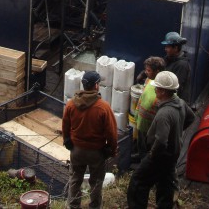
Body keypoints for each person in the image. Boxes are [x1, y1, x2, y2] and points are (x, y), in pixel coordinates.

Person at [127, 71, 195, 209]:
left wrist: (152, 155)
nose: (155, 90)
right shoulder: (180, 103)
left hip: (159, 156)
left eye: (156, 88)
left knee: (138, 181)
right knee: (166, 184)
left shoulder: (164, 113)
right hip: (172, 154)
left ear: (163, 91)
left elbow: (161, 141)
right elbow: (191, 117)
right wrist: (175, 133)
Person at [62, 70, 118, 209]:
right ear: (96, 86)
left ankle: (73, 206)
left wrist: (67, 141)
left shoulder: (71, 104)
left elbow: (65, 125)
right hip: (96, 152)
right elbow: (111, 132)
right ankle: (94, 206)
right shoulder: (103, 107)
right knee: (96, 181)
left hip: (77, 150)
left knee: (75, 179)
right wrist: (111, 149)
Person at [135, 56, 165, 159]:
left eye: (148, 70)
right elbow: (142, 98)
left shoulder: (163, 88)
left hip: (151, 127)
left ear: (157, 71)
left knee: (149, 148)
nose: (146, 72)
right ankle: (140, 155)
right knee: (141, 144)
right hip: (141, 122)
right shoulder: (148, 80)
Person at [162, 32, 191, 103]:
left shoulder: (182, 65)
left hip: (177, 102)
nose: (165, 49)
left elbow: (176, 87)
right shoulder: (169, 58)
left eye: (168, 47)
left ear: (175, 48)